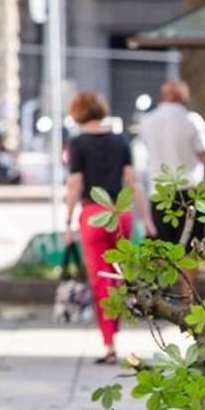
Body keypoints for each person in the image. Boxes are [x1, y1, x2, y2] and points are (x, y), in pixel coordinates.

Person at [65, 91, 153, 364]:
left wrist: (68, 221)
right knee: (118, 276)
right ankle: (114, 331)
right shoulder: (120, 141)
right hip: (121, 212)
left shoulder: (77, 144)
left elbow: (74, 184)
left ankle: (109, 343)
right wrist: (146, 219)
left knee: (100, 281)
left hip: (93, 214)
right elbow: (133, 181)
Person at [138, 79, 205, 245]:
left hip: (160, 191)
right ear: (183, 96)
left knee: (163, 248)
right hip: (189, 192)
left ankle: (168, 272)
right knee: (192, 248)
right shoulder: (192, 120)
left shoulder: (148, 121)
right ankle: (188, 273)